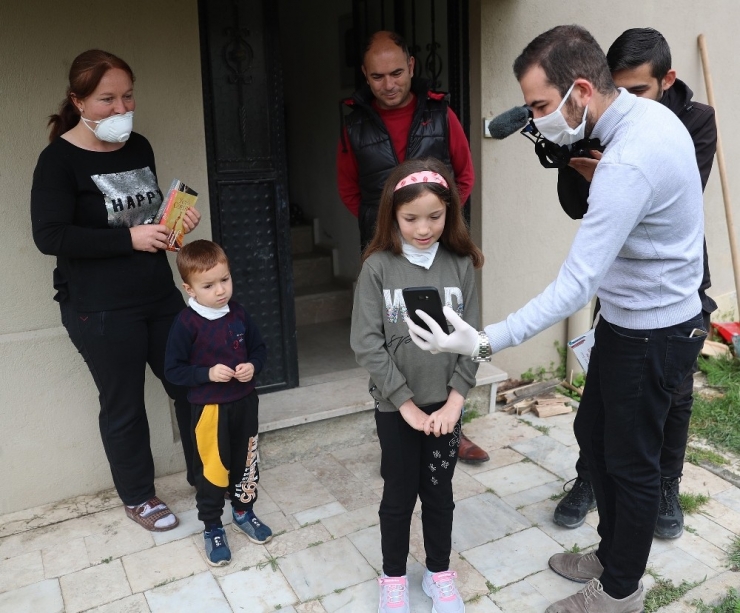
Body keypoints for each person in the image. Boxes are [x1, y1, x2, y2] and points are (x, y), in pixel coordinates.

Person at [407, 25, 707, 613]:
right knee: (594, 438)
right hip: (627, 321)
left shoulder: (630, 161)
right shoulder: (644, 119)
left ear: (580, 91)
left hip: (655, 333)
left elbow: (574, 284)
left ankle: (621, 591)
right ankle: (611, 552)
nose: (538, 119)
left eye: (541, 106)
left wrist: (486, 339)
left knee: (631, 463)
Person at [552, 28, 717, 538]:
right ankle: (589, 479)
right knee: (602, 393)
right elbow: (575, 205)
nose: (624, 102)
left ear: (667, 79)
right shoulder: (600, 116)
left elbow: (678, 194)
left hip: (677, 285)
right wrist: (585, 170)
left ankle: (666, 485)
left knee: (672, 394)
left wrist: (617, 177)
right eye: (616, 89)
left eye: (639, 91)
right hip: (622, 282)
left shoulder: (695, 121)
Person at [31, 49, 201, 532]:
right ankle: (139, 497)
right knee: (123, 403)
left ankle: (206, 475)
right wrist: (129, 238)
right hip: (99, 307)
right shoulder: (58, 161)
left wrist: (175, 224)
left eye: (127, 96)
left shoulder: (139, 146)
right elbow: (50, 236)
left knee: (189, 386)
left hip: (158, 294)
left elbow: (144, 219)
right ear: (77, 100)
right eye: (107, 99)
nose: (120, 108)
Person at [337, 30, 487, 464]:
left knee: (447, 326)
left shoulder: (440, 113)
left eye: (397, 72)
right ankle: (399, 418)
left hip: (435, 248)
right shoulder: (353, 121)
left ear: (412, 67)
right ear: (365, 76)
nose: (389, 83)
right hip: (386, 241)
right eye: (378, 76)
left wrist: (437, 219)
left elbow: (464, 175)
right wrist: (383, 225)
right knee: (393, 334)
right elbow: (348, 187)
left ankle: (451, 424)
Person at [351, 157, 483, 613]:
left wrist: (455, 402)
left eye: (435, 216)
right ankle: (392, 577)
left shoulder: (462, 264)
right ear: (392, 214)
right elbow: (366, 343)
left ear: (450, 213)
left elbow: (477, 342)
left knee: (439, 494)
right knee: (398, 493)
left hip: (446, 405)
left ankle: (439, 573)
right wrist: (405, 405)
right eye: (410, 218)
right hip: (396, 409)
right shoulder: (378, 268)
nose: (423, 228)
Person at [165, 240, 271, 566]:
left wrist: (253, 365)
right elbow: (173, 371)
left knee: (246, 463)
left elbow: (259, 349)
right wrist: (207, 373)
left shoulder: (238, 313)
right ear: (190, 288)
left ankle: (243, 510)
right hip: (210, 410)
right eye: (208, 285)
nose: (220, 290)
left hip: (245, 402)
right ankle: (212, 526)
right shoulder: (186, 323)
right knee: (212, 470)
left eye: (225, 279)